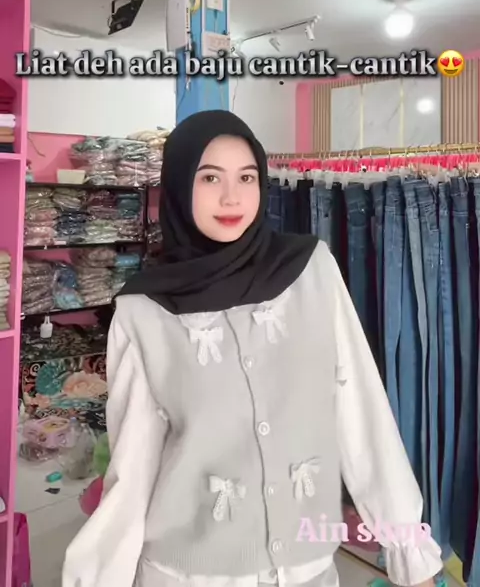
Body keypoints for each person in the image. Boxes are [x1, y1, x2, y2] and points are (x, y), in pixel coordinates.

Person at [63, 110, 443, 587]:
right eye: (209, 178)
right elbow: (132, 471)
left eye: (246, 177)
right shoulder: (143, 311)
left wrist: (410, 552)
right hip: (187, 573)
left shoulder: (311, 271)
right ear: (179, 187)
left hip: (307, 568)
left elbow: (362, 412)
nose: (232, 197)